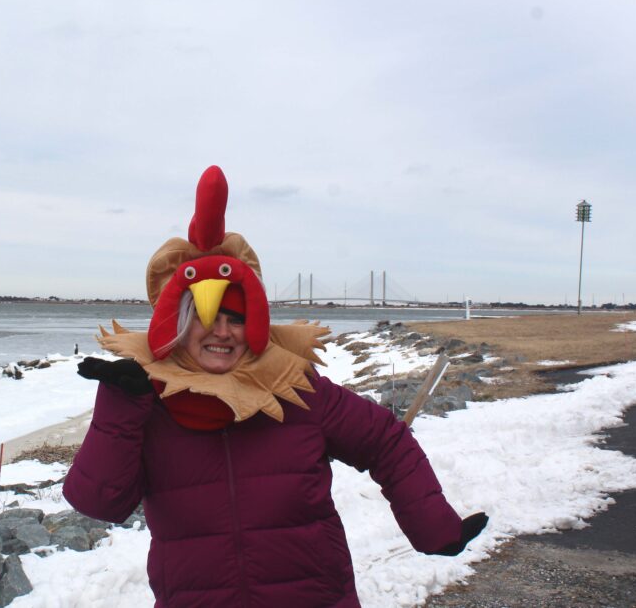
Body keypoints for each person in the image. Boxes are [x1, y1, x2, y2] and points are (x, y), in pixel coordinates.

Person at [63, 166, 486, 607]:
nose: (222, 332)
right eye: (207, 317)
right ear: (179, 323)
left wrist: (434, 527)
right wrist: (119, 410)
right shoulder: (148, 402)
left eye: (238, 318)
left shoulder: (298, 391)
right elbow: (98, 503)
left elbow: (386, 441)